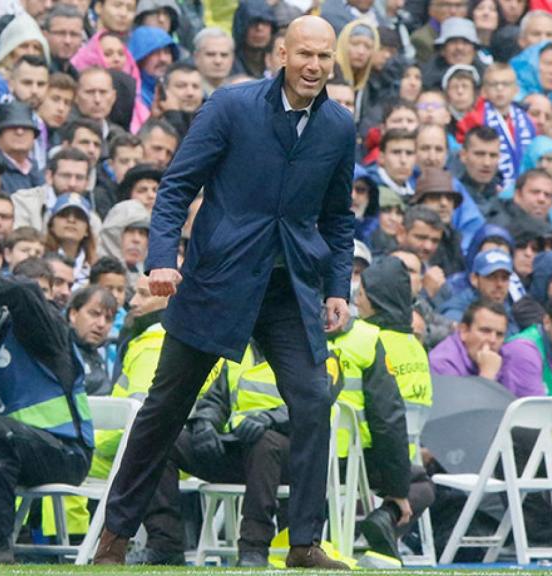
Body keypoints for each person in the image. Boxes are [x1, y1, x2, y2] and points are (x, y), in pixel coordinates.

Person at [93, 16, 356, 569]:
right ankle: (113, 539)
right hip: (219, 283)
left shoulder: (338, 126)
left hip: (289, 290)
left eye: (324, 57)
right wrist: (162, 261)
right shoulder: (229, 106)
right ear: (281, 53)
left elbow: (337, 218)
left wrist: (337, 288)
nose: (313, 66)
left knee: (313, 403)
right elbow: (176, 189)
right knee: (165, 409)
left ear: (335, 62)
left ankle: (305, 544)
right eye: (304, 54)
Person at [0, 273, 95, 564]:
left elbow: (23, 289)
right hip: (18, 450)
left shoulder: (39, 332)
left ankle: (0, 546)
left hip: (67, 453)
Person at [331, 256, 433, 561]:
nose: (356, 300)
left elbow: (385, 418)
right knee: (425, 485)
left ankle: (381, 519)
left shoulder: (362, 340)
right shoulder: (416, 347)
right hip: (391, 455)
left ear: (377, 299)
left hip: (353, 453)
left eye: (362, 293)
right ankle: (387, 518)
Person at [429, 299, 508, 383]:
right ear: (464, 331)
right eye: (485, 330)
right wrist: (487, 375)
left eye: (499, 334)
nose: (493, 340)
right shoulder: (442, 364)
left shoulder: (504, 356)